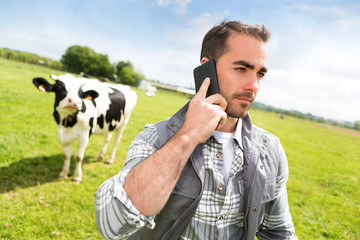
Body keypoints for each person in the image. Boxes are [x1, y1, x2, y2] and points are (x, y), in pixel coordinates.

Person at [95, 20, 297, 240]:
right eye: (241, 69)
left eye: (260, 74)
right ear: (206, 68)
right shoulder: (156, 138)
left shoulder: (270, 150)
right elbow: (112, 225)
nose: (254, 85)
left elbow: (279, 231)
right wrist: (188, 136)